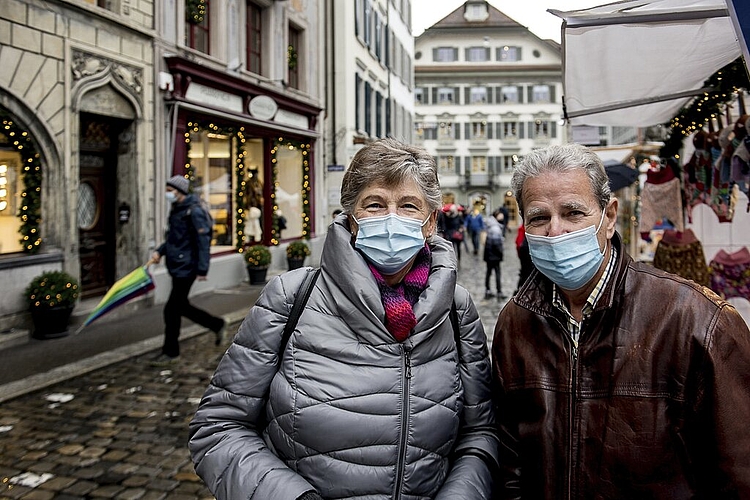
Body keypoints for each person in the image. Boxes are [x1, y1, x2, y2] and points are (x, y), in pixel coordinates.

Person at [188, 138, 500, 499]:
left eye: (409, 206)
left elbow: (480, 434)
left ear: (430, 223)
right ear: (351, 219)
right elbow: (219, 427)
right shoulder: (292, 296)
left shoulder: (457, 310)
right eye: (374, 204)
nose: (391, 218)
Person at [491, 143, 750, 498]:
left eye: (573, 213)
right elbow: (511, 460)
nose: (555, 231)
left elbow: (737, 472)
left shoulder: (696, 320)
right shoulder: (516, 322)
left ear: (608, 217)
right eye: (539, 217)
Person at [148, 175, 226, 366]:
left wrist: (202, 268)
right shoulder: (177, 210)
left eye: (169, 190)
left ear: (179, 192)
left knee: (171, 309)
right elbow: (174, 239)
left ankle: (171, 352)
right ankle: (216, 324)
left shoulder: (194, 211)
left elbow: (203, 241)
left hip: (187, 267)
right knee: (180, 306)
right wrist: (160, 251)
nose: (167, 193)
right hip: (177, 265)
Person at [482, 214, 505, 300]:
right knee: (497, 273)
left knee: (488, 273)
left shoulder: (490, 225)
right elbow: (497, 244)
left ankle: (487, 289)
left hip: (489, 255)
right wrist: (501, 253)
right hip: (495, 256)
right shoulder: (495, 228)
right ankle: (499, 291)